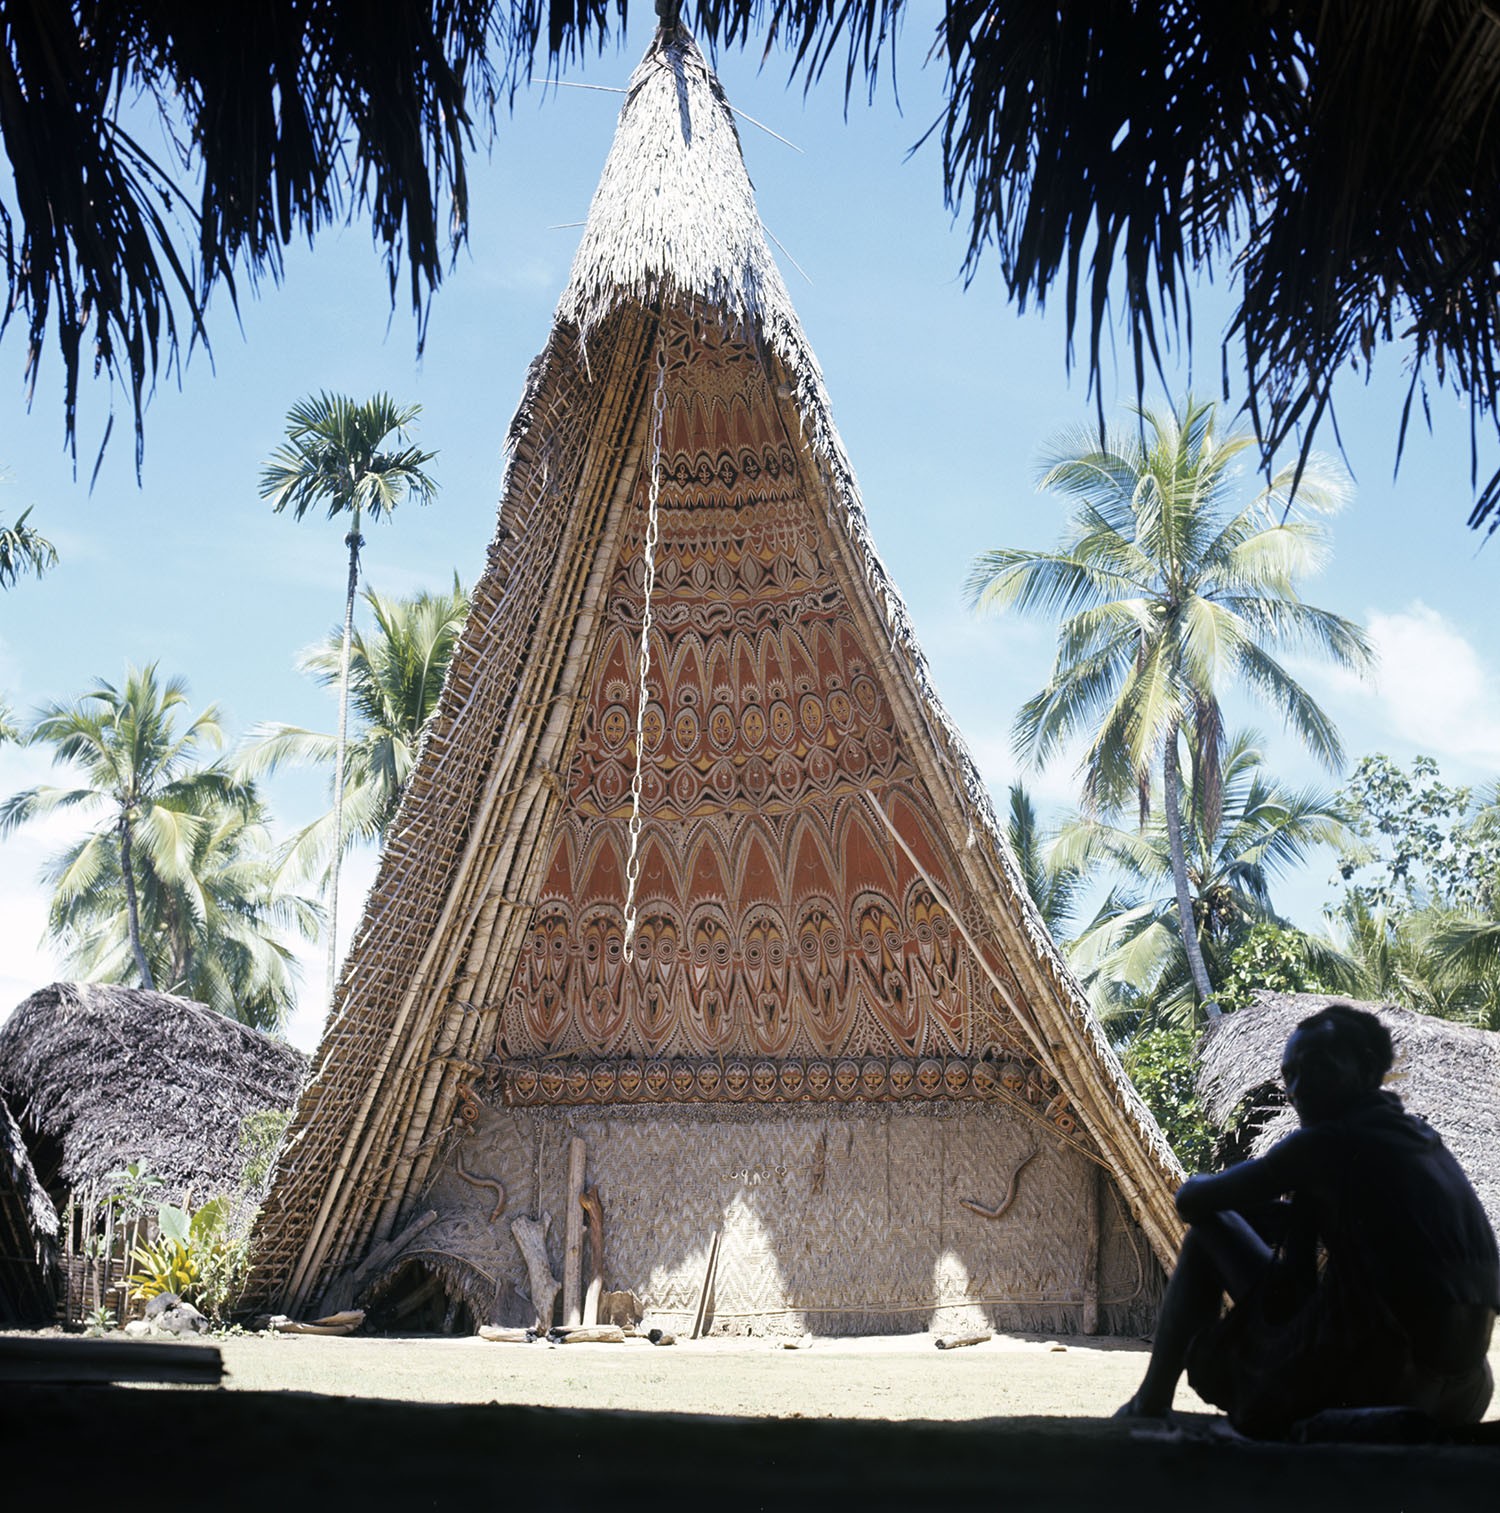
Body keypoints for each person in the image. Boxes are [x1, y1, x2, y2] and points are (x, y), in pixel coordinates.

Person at [1118, 1003, 1499, 1437]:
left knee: (1209, 1232)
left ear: (1368, 1067)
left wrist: (1241, 1199)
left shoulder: (1328, 1141)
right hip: (1464, 1390)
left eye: (1317, 1067)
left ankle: (1150, 1401)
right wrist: (1289, 1216)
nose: (1298, 1087)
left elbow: (1192, 1200)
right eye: (1290, 1074)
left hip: (1394, 1381)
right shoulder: (1419, 1138)